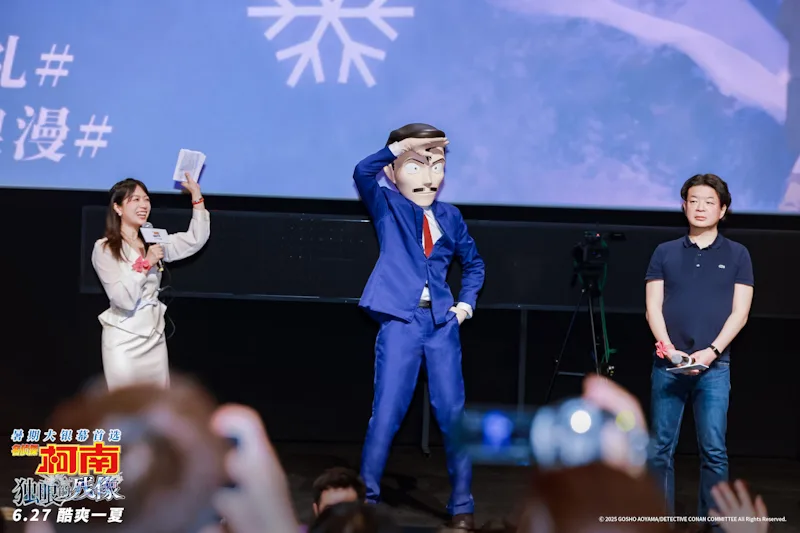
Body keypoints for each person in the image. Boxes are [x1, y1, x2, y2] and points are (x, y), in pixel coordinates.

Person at [352, 123, 485, 529]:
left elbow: (474, 264)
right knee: (386, 414)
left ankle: (462, 506)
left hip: (441, 324)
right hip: (401, 321)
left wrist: (464, 307)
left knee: (453, 417)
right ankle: (366, 501)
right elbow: (361, 172)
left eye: (437, 166)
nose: (429, 176)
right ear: (393, 172)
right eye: (416, 165)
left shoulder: (450, 216)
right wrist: (401, 147)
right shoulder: (387, 205)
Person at [644, 174, 754, 526]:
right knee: (660, 449)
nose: (700, 207)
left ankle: (714, 524)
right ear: (684, 206)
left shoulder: (738, 254)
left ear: (723, 209)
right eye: (693, 200)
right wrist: (669, 349)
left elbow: (740, 313)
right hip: (668, 365)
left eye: (709, 202)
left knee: (714, 451)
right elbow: (653, 307)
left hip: (715, 367)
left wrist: (711, 352)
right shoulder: (664, 252)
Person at [91, 173, 210, 391]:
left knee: (158, 403)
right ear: (118, 208)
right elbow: (122, 299)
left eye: (146, 199)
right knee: (125, 403)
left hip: (154, 335)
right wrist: (146, 263)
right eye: (135, 200)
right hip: (124, 336)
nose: (143, 205)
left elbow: (194, 240)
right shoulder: (105, 247)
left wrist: (196, 196)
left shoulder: (152, 239)